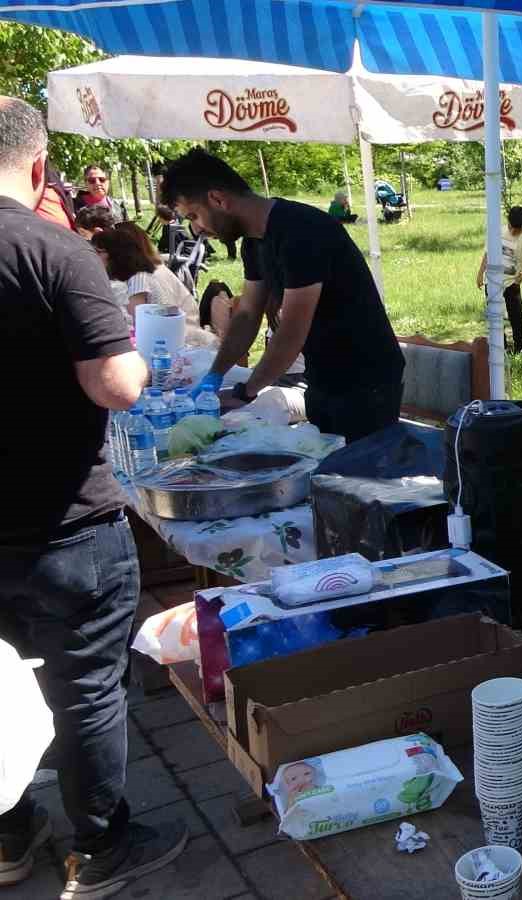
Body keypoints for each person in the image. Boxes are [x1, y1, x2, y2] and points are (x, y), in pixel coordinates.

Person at [0, 95, 190, 899]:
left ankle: (9, 837)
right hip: (63, 525)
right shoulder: (54, 251)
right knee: (83, 690)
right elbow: (114, 384)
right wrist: (144, 365)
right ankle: (102, 844)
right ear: (41, 166)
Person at [162, 148, 405, 442]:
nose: (197, 228)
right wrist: (214, 376)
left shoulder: (300, 232)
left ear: (217, 199)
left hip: (366, 381)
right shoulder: (253, 243)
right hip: (323, 376)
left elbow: (291, 333)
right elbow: (247, 315)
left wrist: (247, 392)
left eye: (195, 215)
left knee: (357, 480)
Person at [90, 225, 210, 346]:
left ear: (114, 253)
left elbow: (139, 323)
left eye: (97, 253)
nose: (93, 258)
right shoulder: (153, 269)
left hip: (180, 342)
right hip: (184, 336)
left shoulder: (139, 277)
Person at [476, 205, 522, 353]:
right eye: (511, 226)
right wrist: (480, 273)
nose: (512, 231)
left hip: (511, 285)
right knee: (495, 317)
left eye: (517, 229)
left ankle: (520, 348)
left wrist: (518, 280)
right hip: (492, 283)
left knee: (516, 317)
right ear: (507, 221)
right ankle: (500, 347)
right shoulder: (497, 232)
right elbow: (488, 253)